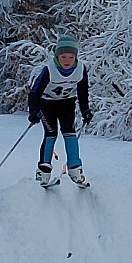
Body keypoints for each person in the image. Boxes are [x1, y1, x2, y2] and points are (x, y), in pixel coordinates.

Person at [27, 34, 93, 186]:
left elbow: (83, 91)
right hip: (46, 103)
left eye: (71, 57)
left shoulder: (80, 69)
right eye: (63, 56)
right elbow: (35, 92)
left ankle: (75, 169)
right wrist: (34, 111)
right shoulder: (49, 69)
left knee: (69, 132)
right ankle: (43, 172)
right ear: (57, 55)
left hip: (66, 103)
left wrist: (85, 110)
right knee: (51, 134)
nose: (67, 61)